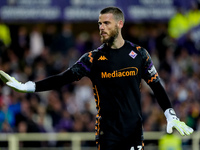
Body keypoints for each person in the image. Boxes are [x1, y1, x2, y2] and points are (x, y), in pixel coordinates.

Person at [0, 6, 193, 150]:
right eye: (99, 23)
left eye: (106, 23)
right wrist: (28, 86)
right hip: (107, 133)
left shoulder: (140, 54)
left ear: (120, 24)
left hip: (133, 132)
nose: (101, 27)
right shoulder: (92, 58)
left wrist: (170, 113)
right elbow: (62, 78)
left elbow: (156, 85)